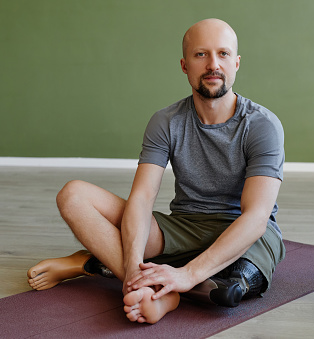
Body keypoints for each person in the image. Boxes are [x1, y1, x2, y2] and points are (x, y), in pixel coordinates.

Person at [27, 18, 285, 324]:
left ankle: (93, 264)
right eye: (201, 55)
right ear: (184, 65)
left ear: (237, 63)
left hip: (245, 231)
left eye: (223, 54)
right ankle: (156, 288)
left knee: (227, 291)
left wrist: (188, 274)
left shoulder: (262, 125)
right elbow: (142, 197)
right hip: (184, 227)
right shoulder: (166, 121)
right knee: (73, 196)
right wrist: (134, 267)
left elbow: (255, 217)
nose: (213, 64)